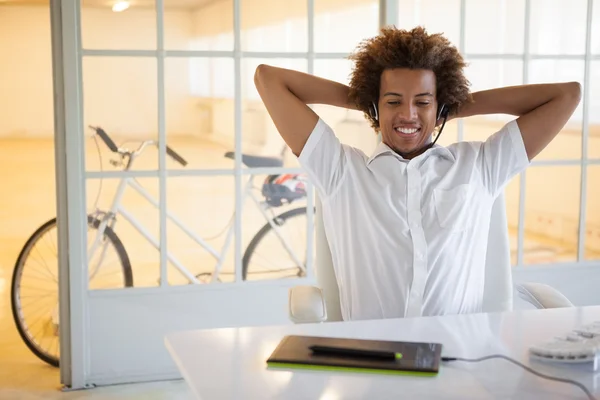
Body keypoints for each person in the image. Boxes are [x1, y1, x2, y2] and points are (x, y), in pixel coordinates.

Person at [253, 26, 581, 321]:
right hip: (373, 367)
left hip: (460, 363)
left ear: (439, 107)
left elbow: (566, 95)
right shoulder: (341, 172)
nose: (408, 114)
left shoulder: (481, 165)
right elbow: (269, 79)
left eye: (422, 102)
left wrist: (452, 105)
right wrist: (367, 101)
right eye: (394, 101)